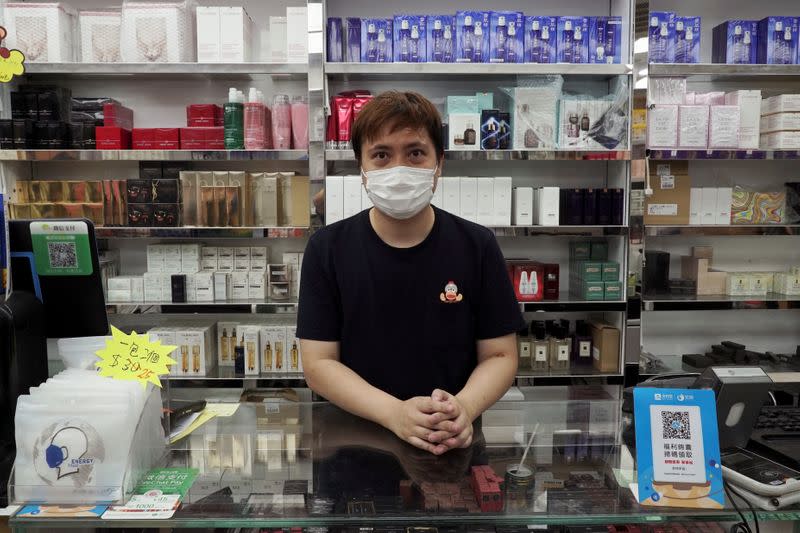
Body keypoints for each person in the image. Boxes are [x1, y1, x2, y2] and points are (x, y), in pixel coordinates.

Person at [297, 91, 524, 456]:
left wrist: (464, 408)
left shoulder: (477, 245)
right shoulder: (327, 250)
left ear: (439, 164)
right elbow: (319, 364)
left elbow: (501, 356)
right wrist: (394, 413)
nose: (398, 170)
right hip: (356, 447)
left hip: (450, 444)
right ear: (362, 168)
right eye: (381, 155)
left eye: (415, 153)